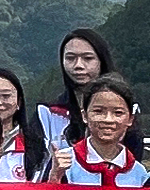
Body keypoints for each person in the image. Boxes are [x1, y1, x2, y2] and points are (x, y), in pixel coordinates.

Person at [42, 28, 114, 158]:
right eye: (70, 58)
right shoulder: (48, 114)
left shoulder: (121, 111)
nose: (78, 65)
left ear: (101, 61)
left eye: (88, 58)